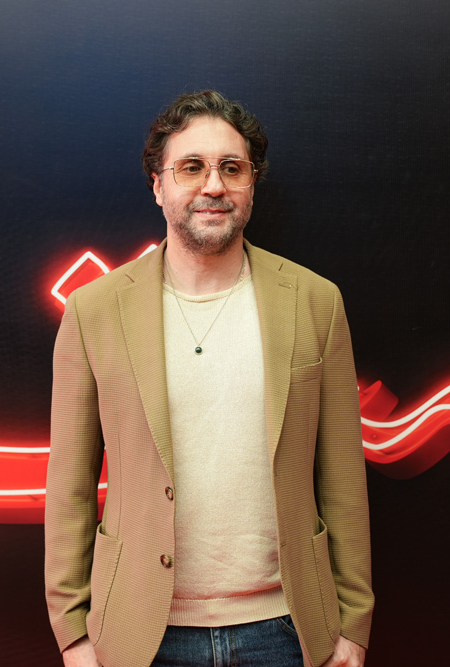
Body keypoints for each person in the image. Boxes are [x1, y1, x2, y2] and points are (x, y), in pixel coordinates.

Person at [45, 90, 373, 667]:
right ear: (158, 185)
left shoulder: (315, 302)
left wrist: (353, 625)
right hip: (141, 635)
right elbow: (69, 485)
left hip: (288, 630)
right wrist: (73, 633)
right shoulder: (94, 310)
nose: (213, 186)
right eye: (191, 167)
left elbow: (342, 475)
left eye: (231, 168)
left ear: (252, 183)